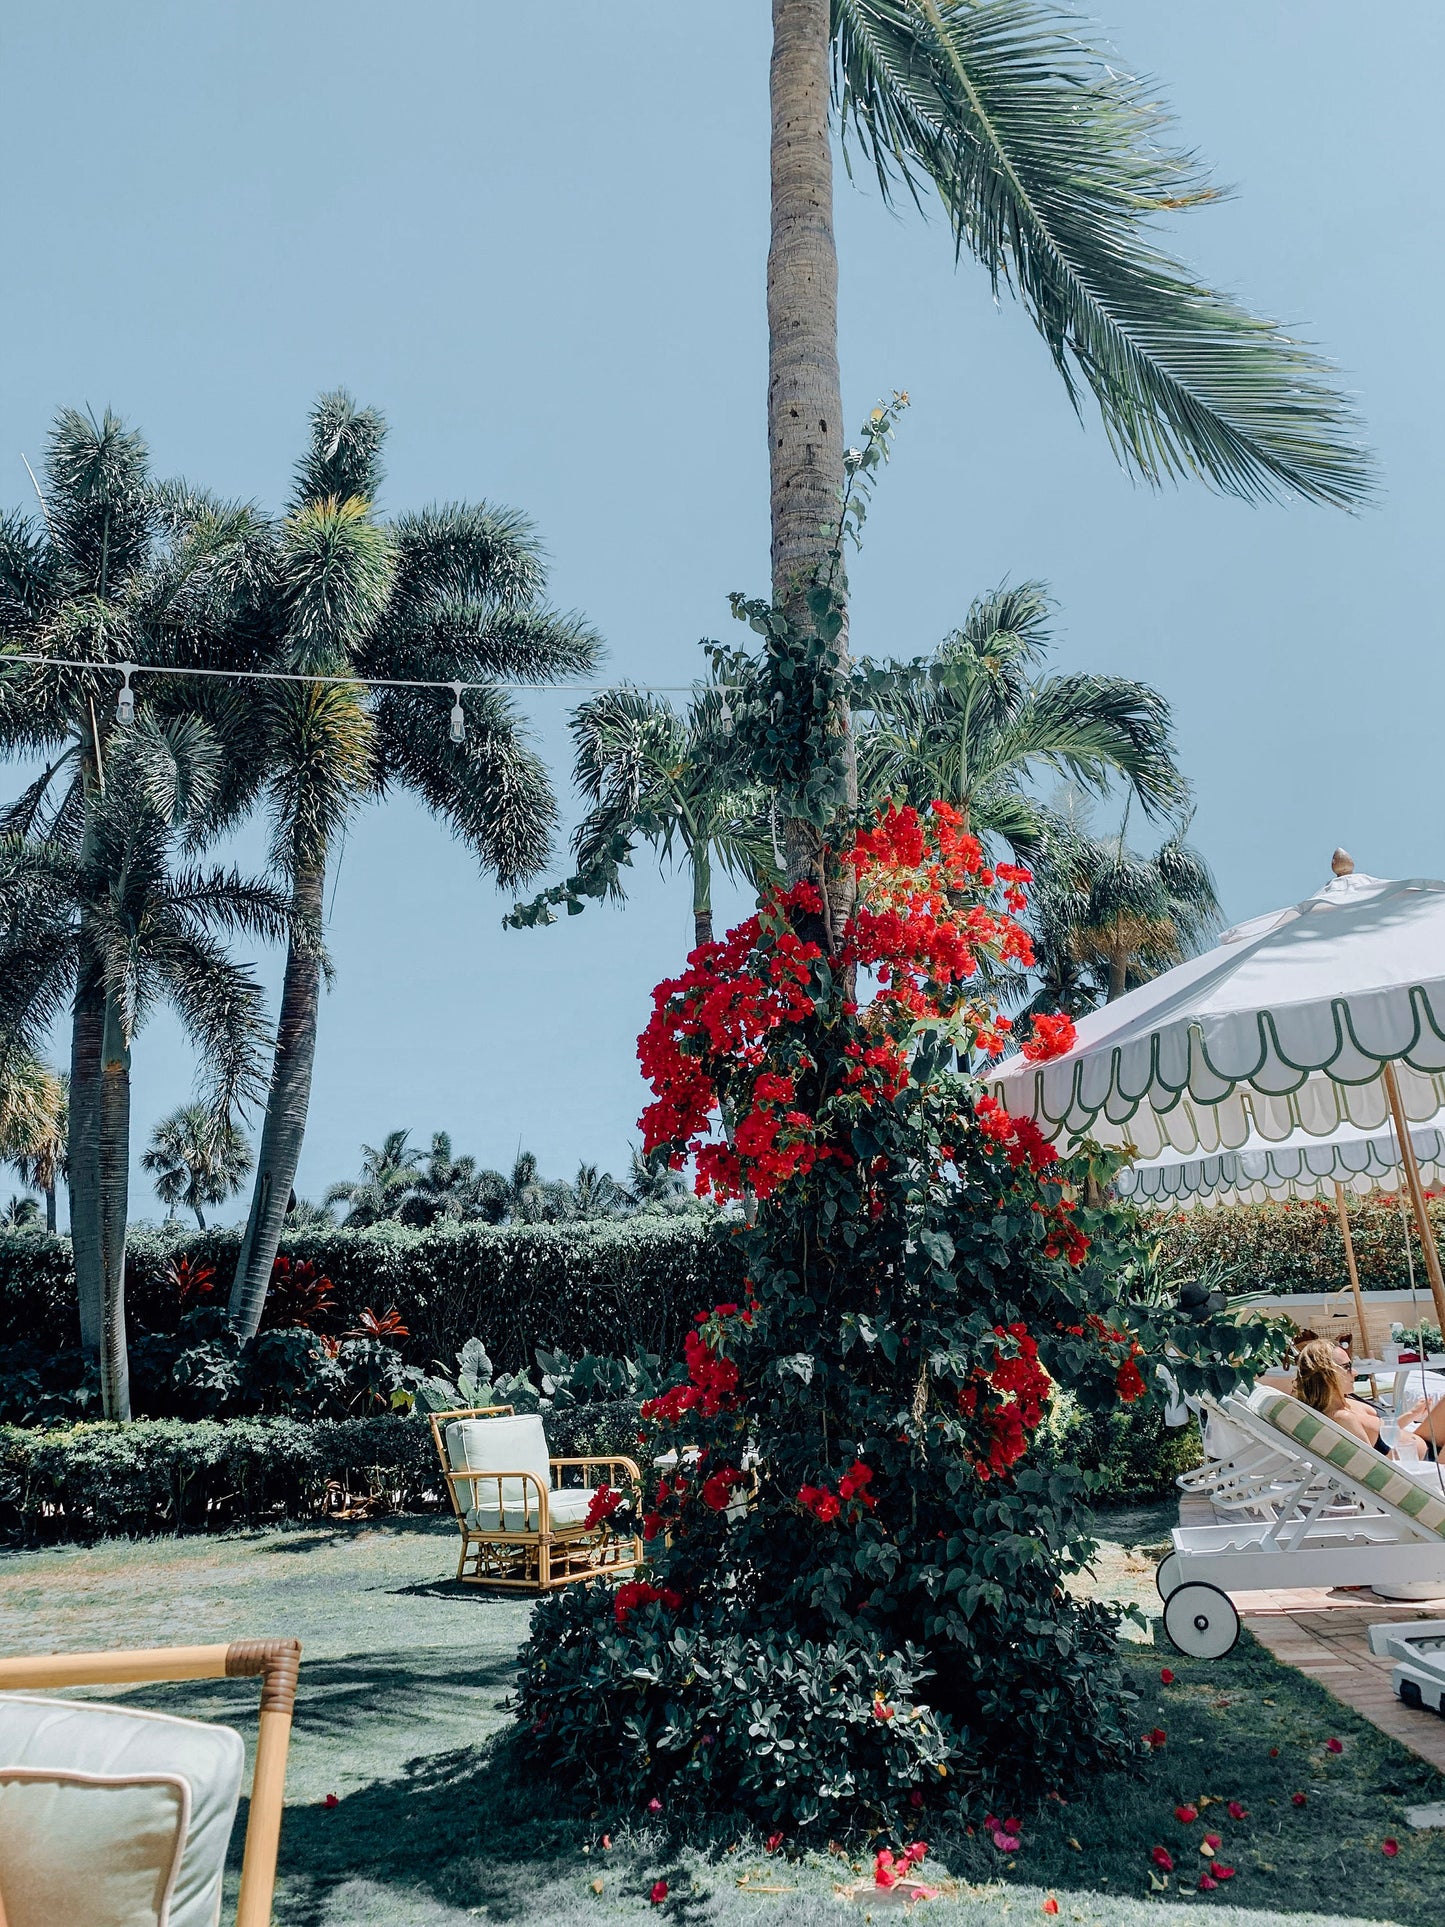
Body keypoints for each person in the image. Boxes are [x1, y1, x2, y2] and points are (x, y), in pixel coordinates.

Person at [1293, 1338, 1434, 1460]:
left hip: (1424, 1445)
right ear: (1326, 1374)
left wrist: (1412, 1414)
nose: (1355, 1373)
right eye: (1347, 1367)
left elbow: (1382, 1433)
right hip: (1426, 1464)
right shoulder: (1343, 1418)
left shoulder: (1347, 1399)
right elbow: (1375, 1468)